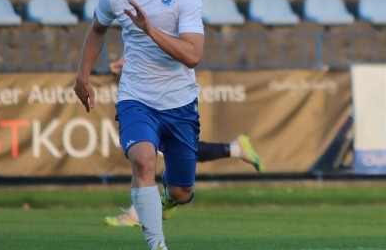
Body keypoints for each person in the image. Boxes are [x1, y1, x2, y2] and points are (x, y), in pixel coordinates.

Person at [74, 0, 204, 250]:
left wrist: (151, 30)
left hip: (180, 104)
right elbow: (97, 28)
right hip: (136, 98)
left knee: (181, 190)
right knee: (143, 158)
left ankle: (166, 198)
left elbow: (193, 56)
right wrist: (82, 75)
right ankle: (158, 249)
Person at [104, 56, 266, 228]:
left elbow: (163, 42)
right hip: (161, 95)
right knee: (149, 154)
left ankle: (140, 211)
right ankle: (235, 149)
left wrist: (127, 60)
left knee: (162, 152)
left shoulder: (175, 35)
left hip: (172, 97)